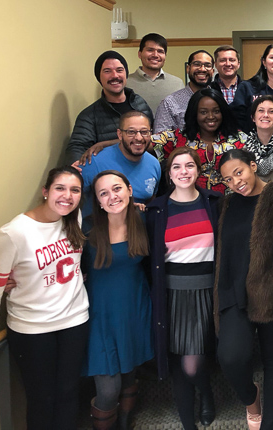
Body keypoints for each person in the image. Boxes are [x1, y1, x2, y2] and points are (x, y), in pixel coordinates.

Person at [0, 166, 89, 430]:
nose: (67, 196)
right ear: (45, 192)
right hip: (32, 329)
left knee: (70, 394)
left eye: (75, 190)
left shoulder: (75, 218)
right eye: (60, 188)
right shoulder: (14, 233)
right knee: (41, 400)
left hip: (74, 321)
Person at [215, 149, 273, 430]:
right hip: (235, 292)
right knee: (231, 356)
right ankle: (250, 397)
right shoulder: (227, 205)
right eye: (228, 179)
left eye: (239, 172)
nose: (235, 182)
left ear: (253, 166)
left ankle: (270, 424)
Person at [146, 147, 222, 429]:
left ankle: (205, 392)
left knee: (195, 360)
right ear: (169, 174)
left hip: (207, 291)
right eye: (176, 167)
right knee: (180, 361)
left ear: (198, 171)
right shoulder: (157, 209)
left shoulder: (214, 202)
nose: (183, 172)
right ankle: (189, 421)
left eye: (189, 166)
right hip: (173, 294)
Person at [82, 170, 153, 430]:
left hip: (135, 310)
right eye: (104, 193)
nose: (112, 196)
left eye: (117, 189)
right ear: (98, 201)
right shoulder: (86, 227)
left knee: (129, 374)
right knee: (108, 389)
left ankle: (124, 422)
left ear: (130, 190)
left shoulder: (144, 220)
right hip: (99, 316)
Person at [151, 88, 248, 193]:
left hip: (231, 203)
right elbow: (140, 144)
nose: (211, 116)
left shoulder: (240, 139)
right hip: (191, 204)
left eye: (216, 111)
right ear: (195, 114)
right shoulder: (178, 137)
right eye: (203, 112)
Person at [66, 51, 153, 164]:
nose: (115, 76)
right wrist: (75, 169)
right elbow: (77, 148)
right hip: (107, 175)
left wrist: (105, 144)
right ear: (99, 77)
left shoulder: (140, 104)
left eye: (119, 70)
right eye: (107, 71)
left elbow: (154, 139)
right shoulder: (89, 115)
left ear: (126, 74)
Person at [77, 111, 161, 219]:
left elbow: (150, 201)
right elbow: (73, 198)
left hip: (138, 230)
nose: (139, 138)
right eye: (131, 132)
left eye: (144, 132)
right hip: (99, 230)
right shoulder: (94, 162)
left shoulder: (154, 164)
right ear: (120, 134)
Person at [231, 43, 273, 133]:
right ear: (264, 62)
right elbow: (236, 120)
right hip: (250, 143)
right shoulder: (247, 87)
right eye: (272, 57)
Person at [154, 50, 214, 132]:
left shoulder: (219, 100)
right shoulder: (169, 103)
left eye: (207, 65)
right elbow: (160, 140)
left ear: (213, 71)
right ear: (188, 69)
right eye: (197, 64)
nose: (202, 69)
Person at [126, 33, 184, 117]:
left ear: (165, 56)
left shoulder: (177, 84)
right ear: (139, 54)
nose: (155, 55)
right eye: (150, 50)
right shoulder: (126, 82)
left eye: (160, 51)